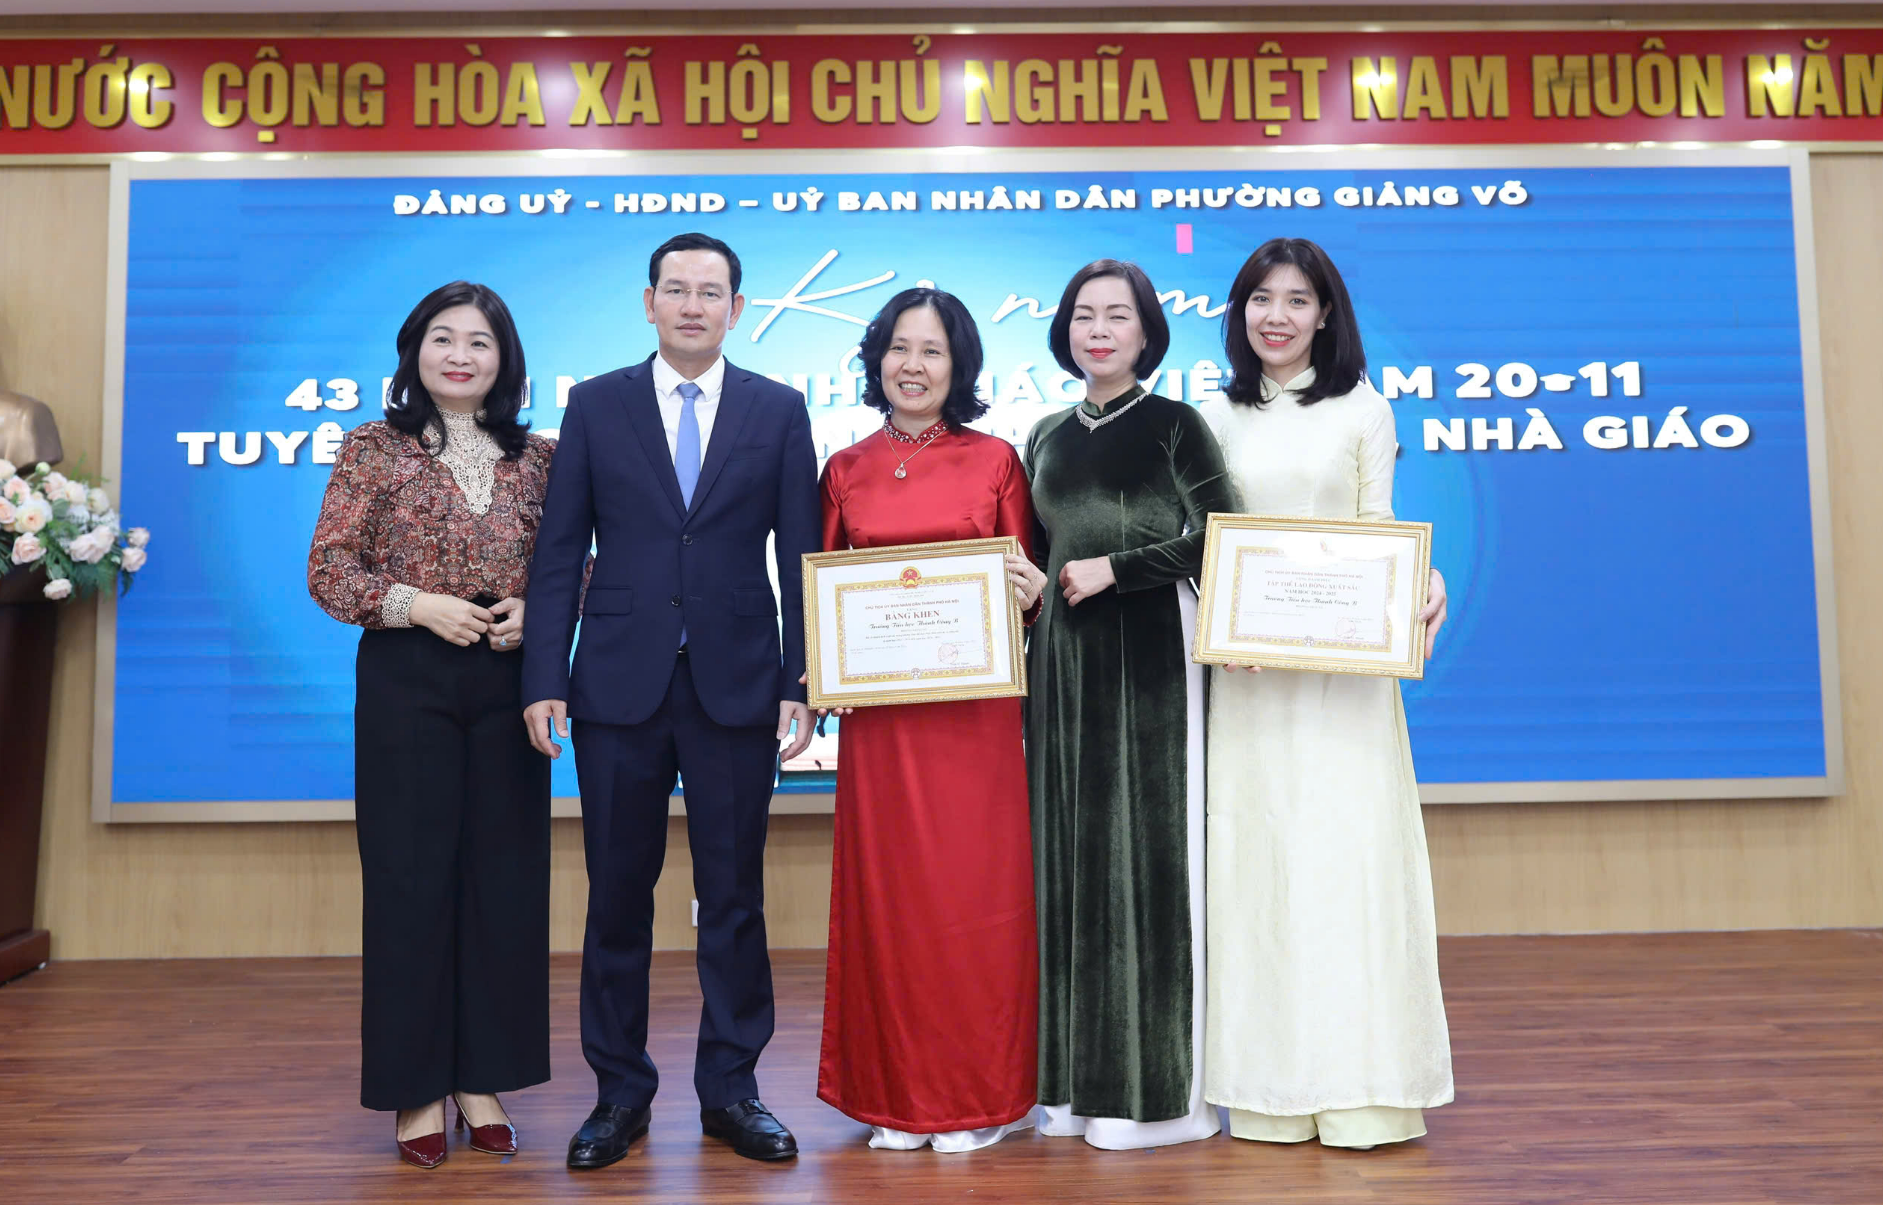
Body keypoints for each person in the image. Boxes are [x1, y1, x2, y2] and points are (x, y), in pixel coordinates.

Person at [520, 232, 819, 1168]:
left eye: (710, 292)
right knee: (616, 896)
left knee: (733, 897)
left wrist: (801, 678)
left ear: (737, 307)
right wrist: (544, 675)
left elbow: (800, 554)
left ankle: (732, 1090)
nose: (693, 306)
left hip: (737, 683)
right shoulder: (594, 404)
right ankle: (619, 1092)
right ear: (647, 302)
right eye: (676, 290)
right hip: (617, 683)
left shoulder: (778, 408)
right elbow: (559, 550)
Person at [1200, 237, 1454, 1150]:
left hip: (1343, 685)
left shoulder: (1363, 408)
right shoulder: (1211, 415)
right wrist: (1217, 614)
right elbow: (1199, 544)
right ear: (1238, 312)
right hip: (1246, 683)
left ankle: (1364, 1091)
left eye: (1296, 300)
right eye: (1259, 298)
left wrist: (1424, 581)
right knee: (1257, 866)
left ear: (1325, 315)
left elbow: (1380, 528)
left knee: (1346, 867)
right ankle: (1268, 1091)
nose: (1275, 316)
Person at [307, 281, 553, 1169]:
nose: (460, 354)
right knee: (410, 881)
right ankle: (417, 1086)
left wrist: (538, 610)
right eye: (443, 337)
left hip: (510, 679)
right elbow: (329, 568)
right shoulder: (372, 447)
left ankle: (483, 1078)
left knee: (503, 881)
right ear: (415, 350)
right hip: (408, 675)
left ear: (504, 358)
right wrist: (417, 605)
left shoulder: (544, 456)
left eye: (479, 341)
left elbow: (583, 564)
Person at [812, 288, 1049, 1153]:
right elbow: (824, 590)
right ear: (876, 359)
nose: (912, 366)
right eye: (899, 348)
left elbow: (1024, 589)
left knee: (972, 901)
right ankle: (894, 1094)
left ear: (960, 367)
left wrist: (1029, 594)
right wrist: (822, 668)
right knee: (891, 901)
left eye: (933, 351)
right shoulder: (844, 467)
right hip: (882, 725)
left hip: (973, 720)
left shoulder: (996, 460)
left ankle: (978, 1096)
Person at [1023, 259, 1239, 1150]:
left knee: (1148, 852)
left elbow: (1221, 534)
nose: (1098, 330)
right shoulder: (1043, 433)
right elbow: (1035, 558)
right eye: (1083, 315)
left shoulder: (1174, 423)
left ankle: (1158, 1096)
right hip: (1061, 659)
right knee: (1067, 855)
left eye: (1117, 315)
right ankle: (1073, 1087)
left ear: (1147, 330)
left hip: (1151, 650)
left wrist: (1117, 569)